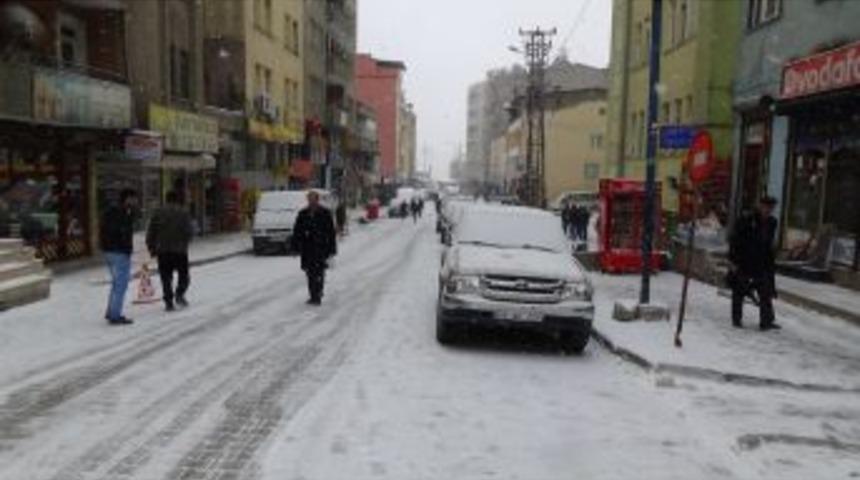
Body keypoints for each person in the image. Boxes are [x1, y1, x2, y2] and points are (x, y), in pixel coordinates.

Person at [728, 196, 780, 331]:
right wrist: (733, 260)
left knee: (765, 291)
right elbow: (734, 240)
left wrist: (770, 264)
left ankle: (766, 321)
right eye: (765, 207)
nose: (768, 210)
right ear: (759, 206)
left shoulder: (772, 222)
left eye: (771, 208)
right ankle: (737, 319)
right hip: (744, 260)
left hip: (761, 262)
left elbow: (769, 245)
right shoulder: (747, 220)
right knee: (739, 290)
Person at [147, 190, 194, 312]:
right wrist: (186, 241)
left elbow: (151, 231)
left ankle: (168, 302)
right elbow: (190, 232)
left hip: (163, 250)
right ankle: (179, 294)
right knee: (184, 275)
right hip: (180, 251)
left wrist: (151, 247)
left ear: (166, 199)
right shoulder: (183, 213)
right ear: (177, 199)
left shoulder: (157, 213)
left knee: (166, 277)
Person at [292, 191, 337, 306]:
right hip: (307, 249)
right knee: (309, 272)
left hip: (321, 248)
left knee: (319, 272)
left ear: (317, 200)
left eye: (313, 199)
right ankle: (313, 295)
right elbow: (297, 231)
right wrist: (295, 247)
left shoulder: (325, 213)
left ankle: (318, 294)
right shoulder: (303, 213)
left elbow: (331, 232)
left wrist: (332, 249)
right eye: (309, 199)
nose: (311, 201)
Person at [100, 188, 138, 325]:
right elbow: (120, 232)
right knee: (120, 285)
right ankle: (115, 315)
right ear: (127, 198)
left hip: (110, 251)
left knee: (117, 284)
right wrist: (125, 247)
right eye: (134, 198)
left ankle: (111, 312)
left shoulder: (112, 211)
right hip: (119, 252)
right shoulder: (121, 213)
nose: (136, 201)